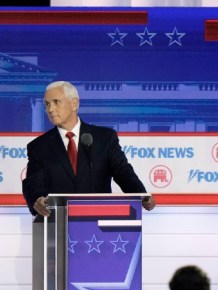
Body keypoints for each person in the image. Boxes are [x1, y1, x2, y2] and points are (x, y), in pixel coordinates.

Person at [23, 81, 155, 216]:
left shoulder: (104, 138)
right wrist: (37, 199)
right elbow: (33, 183)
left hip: (98, 223)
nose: (50, 109)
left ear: (74, 104)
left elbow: (123, 172)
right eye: (47, 104)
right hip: (58, 223)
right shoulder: (39, 146)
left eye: (56, 102)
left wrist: (142, 195)